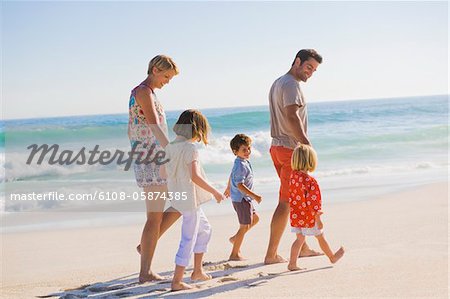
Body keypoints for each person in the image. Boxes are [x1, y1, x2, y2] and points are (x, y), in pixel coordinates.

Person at [265, 49, 324, 264]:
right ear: (297, 61)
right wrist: (306, 145)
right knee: (286, 201)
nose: (310, 73)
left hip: (278, 148)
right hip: (291, 151)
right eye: (308, 67)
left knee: (295, 200)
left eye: (314, 70)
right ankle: (271, 255)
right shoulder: (291, 84)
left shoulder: (278, 82)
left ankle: (303, 247)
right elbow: (291, 115)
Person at [128, 55, 181, 283]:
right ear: (155, 69)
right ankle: (145, 272)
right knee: (154, 217)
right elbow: (154, 126)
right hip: (151, 160)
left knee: (180, 204)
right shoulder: (142, 92)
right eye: (166, 76)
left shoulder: (150, 94)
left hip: (154, 157)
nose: (167, 81)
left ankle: (146, 246)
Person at [164, 109, 225, 291]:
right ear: (197, 129)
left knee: (205, 229)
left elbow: (163, 173)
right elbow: (195, 177)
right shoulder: (190, 149)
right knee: (188, 237)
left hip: (180, 196)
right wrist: (215, 191)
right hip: (189, 199)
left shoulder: (169, 147)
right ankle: (176, 281)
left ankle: (197, 271)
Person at [287, 144, 345, 270]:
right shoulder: (310, 181)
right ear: (311, 161)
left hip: (296, 215)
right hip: (309, 216)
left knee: (299, 239)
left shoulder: (293, 176)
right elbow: (314, 204)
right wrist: (318, 219)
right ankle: (332, 257)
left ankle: (292, 263)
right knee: (320, 237)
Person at [224, 134, 262, 261]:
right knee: (244, 226)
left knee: (255, 219)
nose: (248, 152)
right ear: (235, 152)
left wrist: (228, 187)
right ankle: (234, 254)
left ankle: (236, 238)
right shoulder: (241, 165)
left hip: (244, 199)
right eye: (244, 150)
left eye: (249, 148)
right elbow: (240, 185)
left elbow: (231, 174)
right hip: (242, 199)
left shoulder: (242, 162)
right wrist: (255, 196)